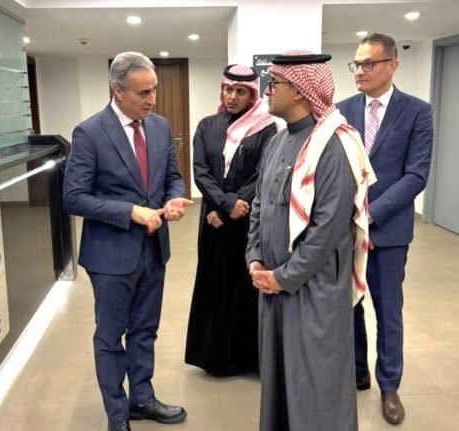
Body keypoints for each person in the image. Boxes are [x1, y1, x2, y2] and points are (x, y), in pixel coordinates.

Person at [246, 50, 376, 431]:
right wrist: (255, 256)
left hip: (313, 292)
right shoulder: (276, 141)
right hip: (272, 286)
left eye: (274, 84)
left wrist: (283, 277)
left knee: (314, 385)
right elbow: (259, 204)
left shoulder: (336, 146)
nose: (267, 91)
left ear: (301, 90)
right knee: (279, 380)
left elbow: (326, 232)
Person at [63, 52, 193, 431]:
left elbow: (172, 177)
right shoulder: (89, 133)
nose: (152, 99)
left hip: (154, 250)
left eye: (154, 90)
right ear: (118, 91)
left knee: (145, 329)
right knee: (110, 336)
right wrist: (130, 211)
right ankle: (117, 416)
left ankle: (142, 399)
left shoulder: (159, 127)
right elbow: (73, 197)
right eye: (143, 93)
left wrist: (173, 198)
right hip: (110, 256)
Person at [337, 33, 433, 425]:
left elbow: (416, 175)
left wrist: (370, 215)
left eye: (368, 63)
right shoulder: (341, 110)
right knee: (349, 304)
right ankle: (358, 370)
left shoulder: (417, 111)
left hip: (388, 231)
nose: (359, 71)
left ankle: (389, 385)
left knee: (388, 309)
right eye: (356, 64)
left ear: (392, 65)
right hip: (345, 231)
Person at [185, 64, 277, 376]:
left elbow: (262, 174)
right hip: (213, 221)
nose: (232, 97)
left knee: (246, 287)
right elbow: (200, 172)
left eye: (240, 92)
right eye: (228, 90)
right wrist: (225, 205)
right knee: (214, 286)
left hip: (247, 221)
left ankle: (250, 360)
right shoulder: (206, 126)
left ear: (252, 95)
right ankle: (216, 360)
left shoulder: (266, 129)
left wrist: (232, 208)